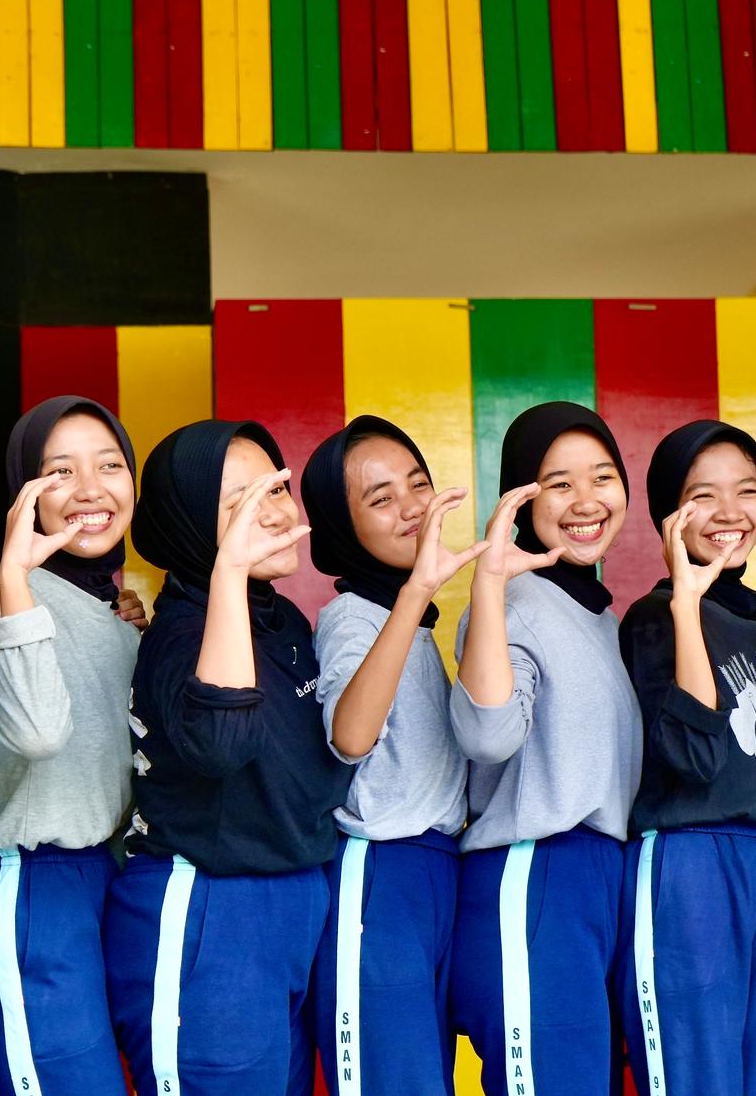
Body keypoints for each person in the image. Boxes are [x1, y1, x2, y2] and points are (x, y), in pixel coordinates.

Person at [102, 419, 353, 1094]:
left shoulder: (284, 619)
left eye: (275, 490)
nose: (272, 513)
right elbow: (222, 745)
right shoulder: (181, 634)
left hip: (292, 902)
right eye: (238, 502)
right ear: (191, 524)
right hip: (208, 911)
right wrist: (231, 571)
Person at [448, 401, 643, 1096]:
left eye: (603, 477)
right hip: (533, 878)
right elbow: (486, 735)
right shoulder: (513, 603)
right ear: (521, 499)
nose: (586, 501)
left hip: (599, 883)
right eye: (559, 483)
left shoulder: (605, 620)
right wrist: (490, 584)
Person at [619, 420, 756, 1095]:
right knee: (698, 1077)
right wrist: (686, 602)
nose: (730, 512)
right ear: (668, 512)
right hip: (687, 867)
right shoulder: (654, 618)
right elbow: (692, 757)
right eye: (703, 495)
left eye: (747, 491)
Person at [301, 415, 484, 1096]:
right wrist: (417, 594)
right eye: (381, 498)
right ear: (341, 526)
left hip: (432, 871)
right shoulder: (354, 615)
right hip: (377, 874)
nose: (411, 507)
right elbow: (350, 736)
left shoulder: (406, 617)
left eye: (417, 483)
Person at [0, 395, 143, 1095]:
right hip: (35, 884)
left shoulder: (118, 611)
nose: (90, 489)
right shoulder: (6, 600)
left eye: (110, 465)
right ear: (26, 495)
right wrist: (14, 578)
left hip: (107, 879)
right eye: (60, 471)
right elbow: (38, 734)